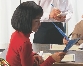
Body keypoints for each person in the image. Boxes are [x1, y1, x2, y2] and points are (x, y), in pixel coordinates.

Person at [6, 1, 66, 66]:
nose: (40, 24)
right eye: (36, 21)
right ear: (27, 21)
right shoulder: (25, 43)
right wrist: (52, 59)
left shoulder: (16, 34)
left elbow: (21, 54)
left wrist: (33, 55)